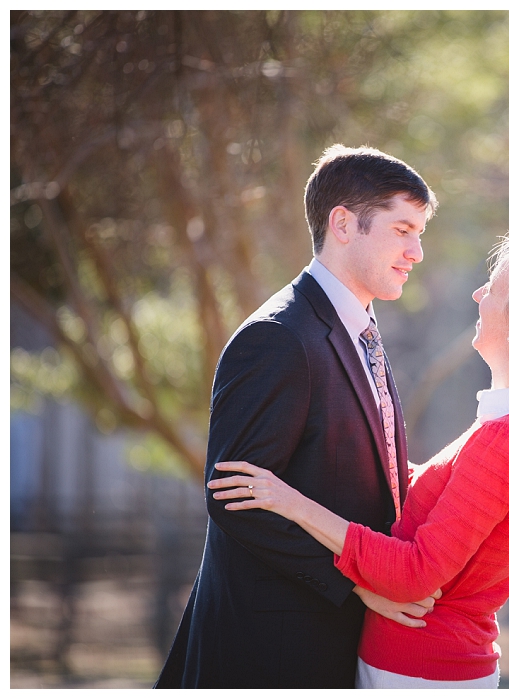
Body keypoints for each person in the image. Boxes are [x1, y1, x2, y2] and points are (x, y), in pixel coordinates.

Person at [207, 232, 509, 687]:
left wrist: (288, 501)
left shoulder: (506, 441)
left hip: (418, 671)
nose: (478, 294)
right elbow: (428, 494)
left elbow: (414, 576)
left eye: (494, 288)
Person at [156, 145, 438, 688]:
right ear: (343, 224)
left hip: (333, 644)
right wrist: (358, 584)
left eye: (419, 232)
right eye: (403, 230)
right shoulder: (278, 338)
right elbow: (234, 499)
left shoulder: (361, 332)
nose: (417, 251)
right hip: (271, 652)